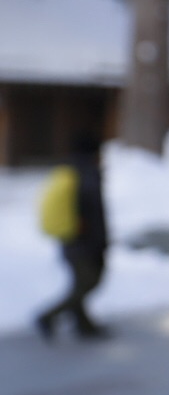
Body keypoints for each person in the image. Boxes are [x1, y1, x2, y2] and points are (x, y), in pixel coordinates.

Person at [35, 131, 112, 341]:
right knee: (87, 283)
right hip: (84, 241)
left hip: (71, 239)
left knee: (81, 283)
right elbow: (94, 213)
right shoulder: (87, 173)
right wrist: (101, 242)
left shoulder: (68, 169)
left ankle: (84, 325)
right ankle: (47, 316)